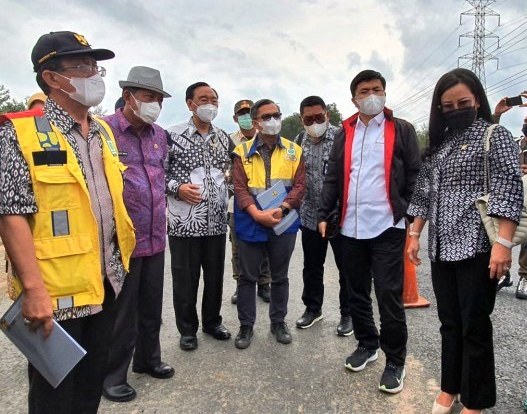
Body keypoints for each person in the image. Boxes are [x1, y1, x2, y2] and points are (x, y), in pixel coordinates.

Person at [0, 31, 136, 413]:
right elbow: (11, 214)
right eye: (82, 66)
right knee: (54, 397)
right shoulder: (20, 133)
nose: (94, 74)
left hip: (106, 283)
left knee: (90, 388)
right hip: (56, 295)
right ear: (52, 78)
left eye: (96, 65)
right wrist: (33, 291)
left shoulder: (103, 132)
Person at [407, 68, 523, 413]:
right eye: (448, 105)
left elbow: (507, 189)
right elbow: (424, 194)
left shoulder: (494, 135)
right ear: (439, 108)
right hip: (442, 248)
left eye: (463, 102)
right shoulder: (440, 145)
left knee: (474, 324)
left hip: (478, 247)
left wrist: (502, 245)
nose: (456, 109)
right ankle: (449, 387)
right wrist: (414, 234)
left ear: (477, 101)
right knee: (449, 323)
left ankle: (476, 400)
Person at [318, 70, 421, 394]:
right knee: (355, 291)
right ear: (354, 98)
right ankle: (367, 344)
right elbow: (334, 175)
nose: (372, 95)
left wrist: (410, 215)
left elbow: (415, 175)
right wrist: (324, 212)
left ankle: (395, 361)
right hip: (350, 227)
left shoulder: (400, 129)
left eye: (377, 89)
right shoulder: (344, 133)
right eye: (365, 91)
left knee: (389, 295)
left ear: (385, 93)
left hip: (387, 226)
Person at [101, 66, 174, 403]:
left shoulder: (160, 134)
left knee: (150, 305)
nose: (154, 104)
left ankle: (148, 360)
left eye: (158, 98)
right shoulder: (105, 131)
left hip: (156, 236)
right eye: (148, 97)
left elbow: (162, 178)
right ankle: (113, 374)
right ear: (128, 96)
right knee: (121, 312)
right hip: (122, 241)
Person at [232, 98, 305, 349]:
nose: (273, 120)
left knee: (280, 276)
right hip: (251, 220)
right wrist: (256, 213)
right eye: (266, 117)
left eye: (276, 115)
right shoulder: (241, 152)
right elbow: (240, 188)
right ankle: (246, 326)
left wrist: (284, 207)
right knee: (247, 277)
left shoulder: (294, 150)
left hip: (283, 220)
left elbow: (300, 185)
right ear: (256, 123)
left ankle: (278, 322)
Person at [166, 82, 233, 351]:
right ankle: (187, 329)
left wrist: (223, 193)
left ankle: (212, 322)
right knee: (185, 279)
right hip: (184, 224)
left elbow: (231, 173)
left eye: (214, 99)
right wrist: (177, 188)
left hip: (216, 223)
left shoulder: (223, 137)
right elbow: (157, 174)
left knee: (215, 277)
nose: (210, 104)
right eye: (203, 98)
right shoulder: (171, 136)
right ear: (190, 103)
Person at [293, 95, 353, 336]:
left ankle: (348, 314)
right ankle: (312, 309)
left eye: (319, 117)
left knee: (346, 268)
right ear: (302, 119)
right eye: (309, 118)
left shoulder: (342, 137)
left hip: (340, 215)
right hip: (309, 215)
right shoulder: (298, 141)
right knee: (312, 266)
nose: (315, 121)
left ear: (327, 114)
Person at [229, 99, 271, 304]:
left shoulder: (267, 139)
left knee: (265, 244)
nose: (246, 117)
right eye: (242, 113)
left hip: (263, 201)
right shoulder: (227, 141)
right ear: (236, 118)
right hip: (235, 204)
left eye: (249, 113)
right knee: (238, 247)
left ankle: (264, 283)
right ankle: (241, 283)